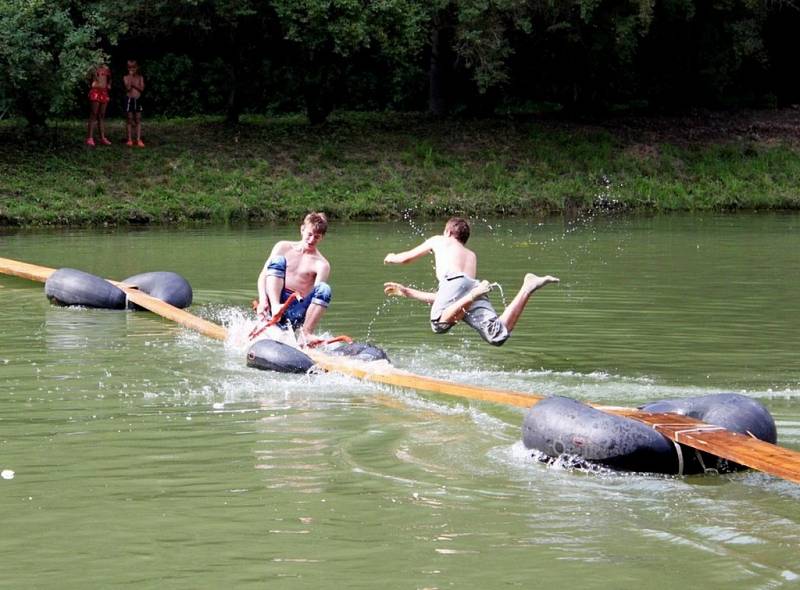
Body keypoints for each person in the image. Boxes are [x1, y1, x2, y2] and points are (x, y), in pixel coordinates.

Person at [383, 217, 559, 346]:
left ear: (448, 232)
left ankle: (475, 295)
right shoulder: (471, 255)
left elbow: (405, 259)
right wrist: (406, 292)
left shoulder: (440, 240)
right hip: (473, 286)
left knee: (438, 324)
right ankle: (527, 288)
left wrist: (391, 257)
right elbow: (450, 299)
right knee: (496, 335)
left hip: (468, 290)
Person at [256, 212, 332, 345]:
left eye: (316, 237)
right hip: (274, 300)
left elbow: (315, 299)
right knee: (278, 261)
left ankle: (306, 335)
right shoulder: (283, 247)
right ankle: (275, 307)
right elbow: (263, 275)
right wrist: (263, 301)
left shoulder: (322, 264)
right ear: (302, 229)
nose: (311, 240)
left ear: (322, 238)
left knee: (325, 289)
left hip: (295, 309)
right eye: (309, 234)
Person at [86, 63, 112, 147]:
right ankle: (90, 138)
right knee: (93, 114)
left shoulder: (106, 68)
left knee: (101, 115)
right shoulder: (93, 68)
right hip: (95, 91)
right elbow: (87, 78)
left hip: (104, 92)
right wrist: (92, 83)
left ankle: (102, 137)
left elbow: (110, 78)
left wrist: (109, 84)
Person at [123, 60, 145, 147]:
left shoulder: (140, 77)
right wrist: (131, 78)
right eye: (130, 68)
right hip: (129, 99)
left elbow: (142, 89)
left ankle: (138, 139)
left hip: (138, 99)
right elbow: (128, 88)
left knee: (138, 119)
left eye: (134, 67)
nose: (132, 69)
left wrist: (134, 85)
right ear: (127, 68)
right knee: (129, 118)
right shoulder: (125, 77)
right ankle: (129, 139)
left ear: (137, 68)